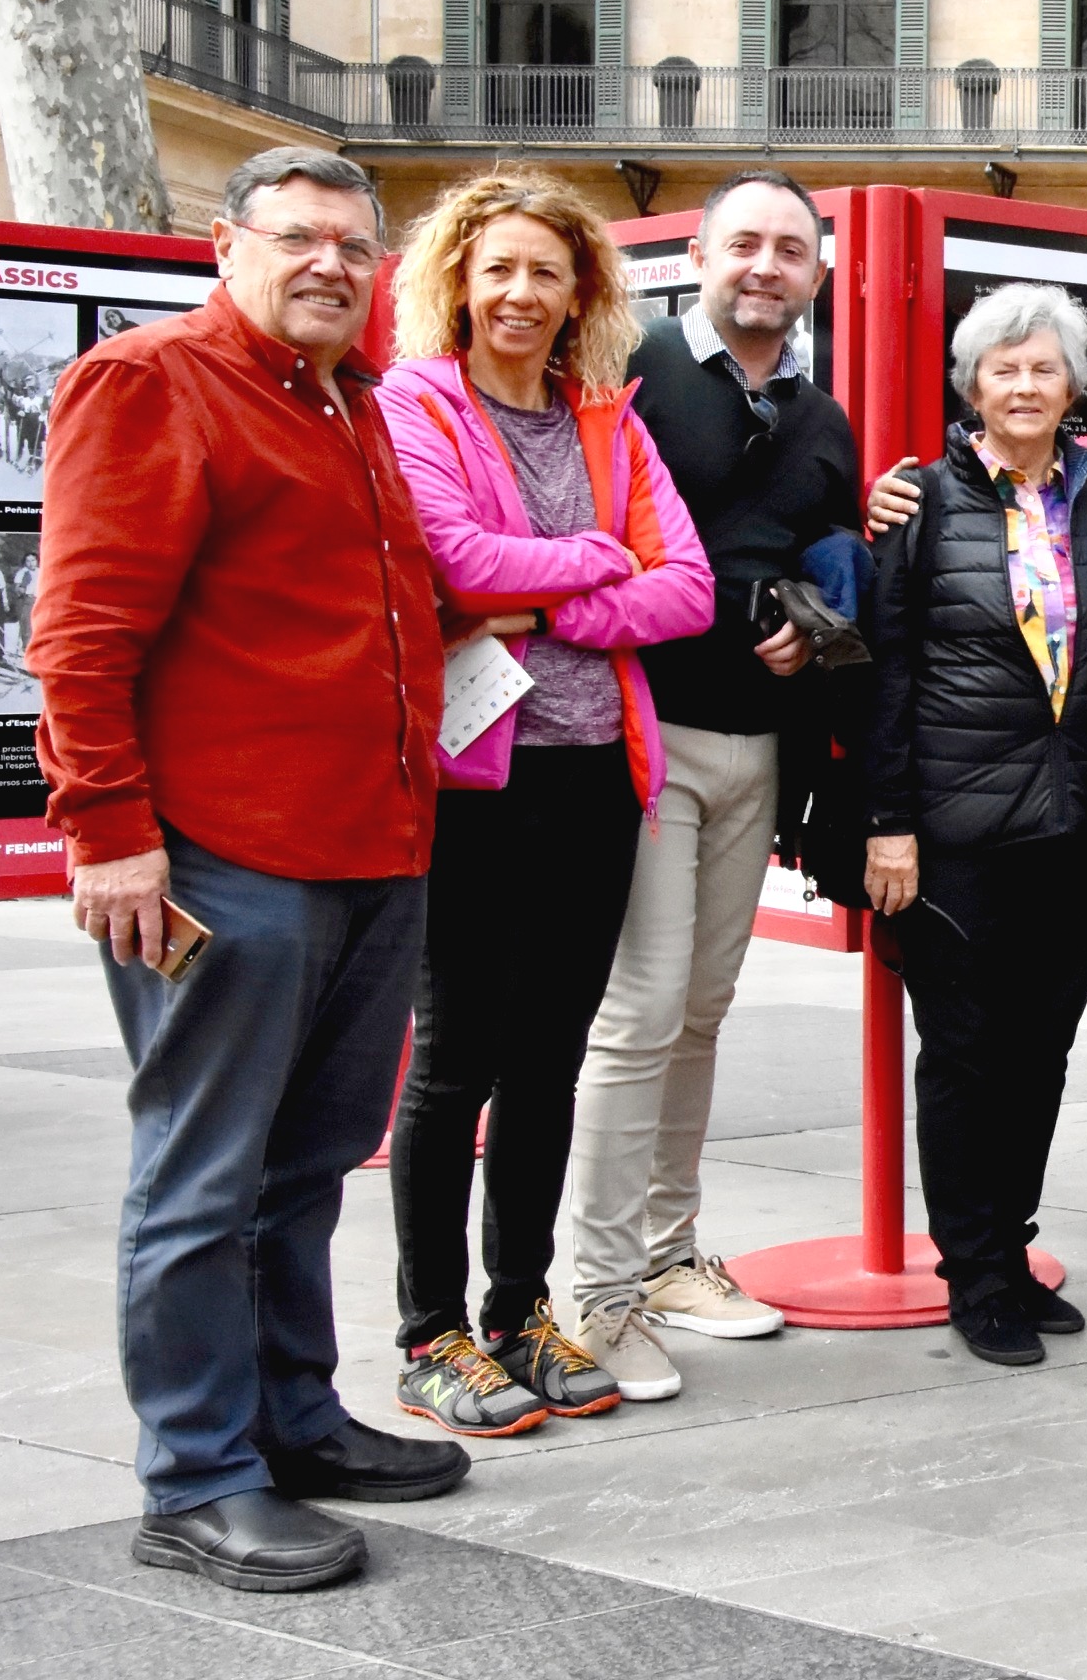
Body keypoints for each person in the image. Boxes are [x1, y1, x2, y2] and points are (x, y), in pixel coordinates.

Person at [30, 147, 463, 1592]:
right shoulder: (153, 384)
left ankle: (289, 1416)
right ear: (228, 247)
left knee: (309, 1166)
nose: (333, 265)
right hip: (225, 860)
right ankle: (198, 1476)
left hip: (367, 850)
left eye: (356, 245)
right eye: (301, 240)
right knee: (204, 1178)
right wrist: (107, 835)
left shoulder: (349, 407)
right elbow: (83, 637)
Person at [376, 172, 715, 1434]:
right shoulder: (414, 403)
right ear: (460, 280)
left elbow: (684, 586)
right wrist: (598, 563)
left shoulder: (609, 426)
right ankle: (431, 1329)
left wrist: (549, 597)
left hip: (593, 776)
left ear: (582, 294)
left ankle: (520, 1308)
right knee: (455, 1055)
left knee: (550, 1059)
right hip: (476, 780)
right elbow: (446, 553)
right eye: (499, 268)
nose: (521, 294)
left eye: (547, 273)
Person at [562, 170, 862, 1399]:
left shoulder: (819, 415)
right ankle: (600, 1290)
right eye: (745, 241)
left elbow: (812, 558)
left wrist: (807, 626)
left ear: (818, 273)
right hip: (644, 734)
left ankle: (672, 1249)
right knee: (637, 1014)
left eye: (790, 249)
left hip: (756, 748)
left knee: (701, 1008)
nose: (766, 265)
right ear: (697, 252)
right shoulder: (627, 368)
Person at [859, 283, 1087, 1364]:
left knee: (1040, 1052)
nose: (1024, 385)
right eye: (1003, 368)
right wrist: (889, 820)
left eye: (1043, 367)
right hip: (954, 828)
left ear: (1072, 383)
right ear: (970, 384)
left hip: (1073, 823)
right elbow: (887, 668)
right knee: (967, 1054)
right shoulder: (923, 502)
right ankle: (974, 1273)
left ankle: (1016, 1253)